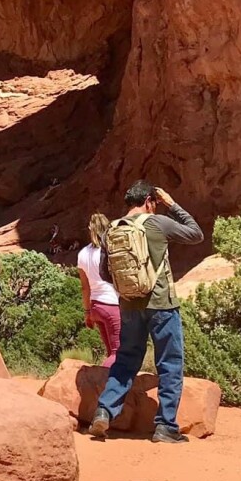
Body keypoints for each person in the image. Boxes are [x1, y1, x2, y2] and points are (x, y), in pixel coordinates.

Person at [89, 182, 203, 444]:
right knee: (170, 363)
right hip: (161, 304)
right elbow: (195, 233)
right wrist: (172, 204)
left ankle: (104, 412)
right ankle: (165, 427)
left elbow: (106, 272)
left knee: (125, 360)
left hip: (129, 305)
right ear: (151, 201)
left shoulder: (112, 230)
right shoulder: (158, 223)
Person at [76, 212, 121, 366]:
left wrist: (88, 312)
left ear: (91, 229)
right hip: (112, 304)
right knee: (119, 353)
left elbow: (84, 287)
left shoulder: (82, 254)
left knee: (111, 352)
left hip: (96, 307)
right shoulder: (111, 250)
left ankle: (105, 381)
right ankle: (108, 388)